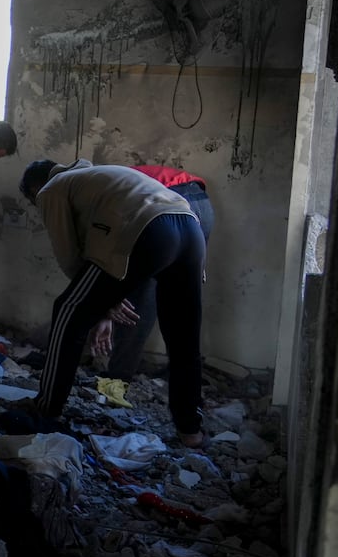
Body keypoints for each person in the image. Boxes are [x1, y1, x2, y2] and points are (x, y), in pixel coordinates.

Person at [20, 159, 206, 446]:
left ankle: (46, 407)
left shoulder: (51, 190)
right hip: (190, 228)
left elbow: (68, 255)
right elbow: (106, 256)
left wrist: (95, 301)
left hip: (150, 229)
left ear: (35, 188)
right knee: (183, 335)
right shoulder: (96, 178)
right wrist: (105, 301)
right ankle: (190, 430)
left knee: (68, 309)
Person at [107, 164, 214, 379]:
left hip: (169, 204)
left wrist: (108, 301)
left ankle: (118, 376)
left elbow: (108, 254)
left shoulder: (98, 194)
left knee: (140, 295)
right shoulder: (113, 177)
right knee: (183, 299)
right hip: (201, 203)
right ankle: (182, 374)